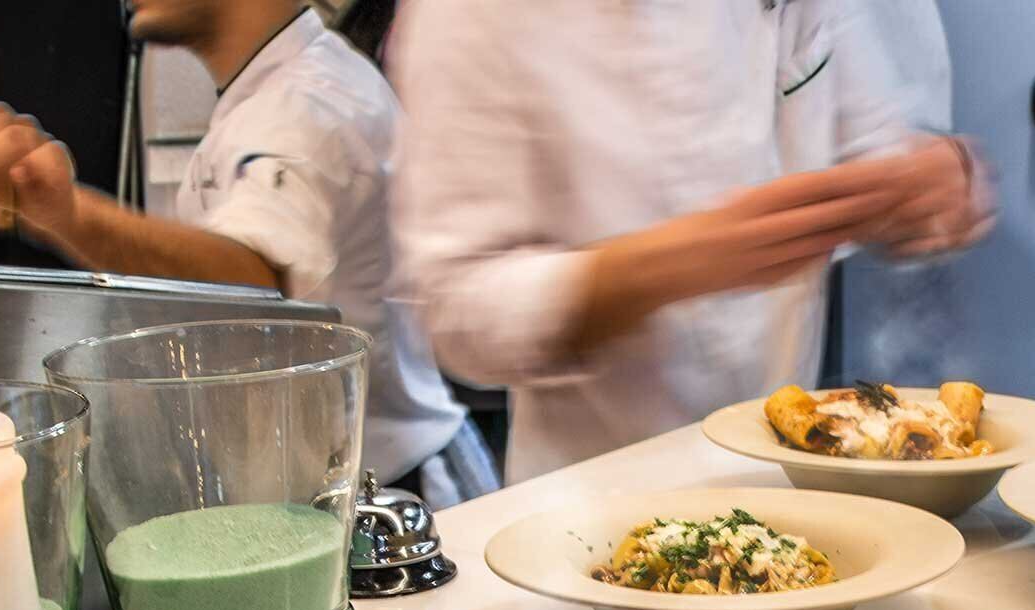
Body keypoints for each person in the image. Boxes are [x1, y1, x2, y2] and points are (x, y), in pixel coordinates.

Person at [0, 1, 498, 507]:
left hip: (394, 497)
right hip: (353, 486)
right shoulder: (279, 90)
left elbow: (252, 284)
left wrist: (61, 210)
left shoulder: (309, 103)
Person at [387, 0, 993, 482]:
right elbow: (456, 307)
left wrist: (919, 184)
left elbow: (871, 136)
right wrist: (669, 267)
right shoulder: (467, 14)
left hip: (789, 478)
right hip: (587, 506)